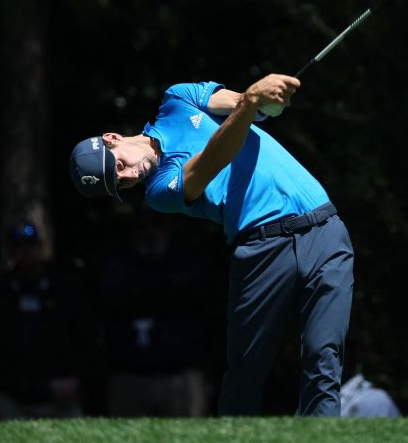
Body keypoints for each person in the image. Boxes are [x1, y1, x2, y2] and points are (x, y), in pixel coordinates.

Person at [69, 74, 354, 416]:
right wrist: (252, 101)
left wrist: (270, 99)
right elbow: (213, 159)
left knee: (324, 360)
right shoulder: (160, 192)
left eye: (118, 166)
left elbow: (245, 103)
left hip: (325, 227)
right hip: (263, 249)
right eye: (120, 183)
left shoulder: (178, 99)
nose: (128, 176)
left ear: (113, 139)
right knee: (246, 374)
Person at [0, 222, 95, 420]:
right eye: (19, 247)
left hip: (59, 398)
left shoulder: (65, 290)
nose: (26, 252)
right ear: (11, 252)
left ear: (40, 248)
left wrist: (78, 379)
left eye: (31, 246)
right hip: (7, 398)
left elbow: (86, 340)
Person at [98, 211, 215, 417]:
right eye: (142, 227)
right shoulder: (117, 267)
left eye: (157, 225)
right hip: (130, 374)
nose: (150, 233)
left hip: (179, 374)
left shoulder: (188, 265)